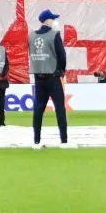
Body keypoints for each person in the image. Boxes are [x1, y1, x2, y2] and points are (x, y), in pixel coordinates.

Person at [29, 9, 69, 147]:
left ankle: (36, 140)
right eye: (53, 19)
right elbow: (62, 56)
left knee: (38, 109)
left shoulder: (31, 36)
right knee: (60, 108)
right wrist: (62, 71)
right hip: (53, 76)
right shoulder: (54, 35)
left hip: (38, 77)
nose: (54, 21)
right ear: (48, 20)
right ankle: (64, 140)